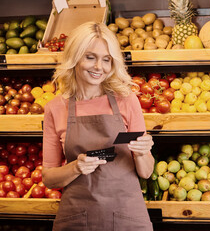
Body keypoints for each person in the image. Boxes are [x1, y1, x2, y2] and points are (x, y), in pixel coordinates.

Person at [42, 21, 155, 231]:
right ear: (74, 57)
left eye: (106, 60)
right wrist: (75, 167)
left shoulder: (127, 100)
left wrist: (142, 152)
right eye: (90, 57)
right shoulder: (55, 108)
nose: (98, 67)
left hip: (126, 215)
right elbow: (49, 178)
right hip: (77, 217)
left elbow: (146, 172)